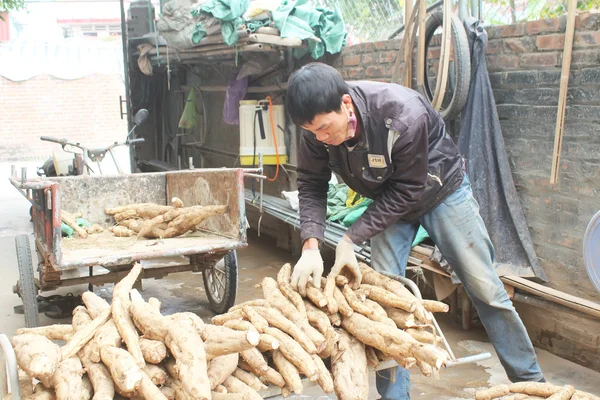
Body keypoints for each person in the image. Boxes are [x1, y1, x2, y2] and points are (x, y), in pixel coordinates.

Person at [285, 62, 545, 399]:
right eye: (312, 131)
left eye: (324, 128)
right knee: (385, 301)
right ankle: (395, 395)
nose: (321, 138)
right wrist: (310, 244)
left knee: (486, 289)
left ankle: (536, 385)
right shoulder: (316, 134)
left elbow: (408, 190)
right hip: (386, 199)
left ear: (346, 104)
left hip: (440, 189)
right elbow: (310, 184)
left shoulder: (402, 114)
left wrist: (351, 238)